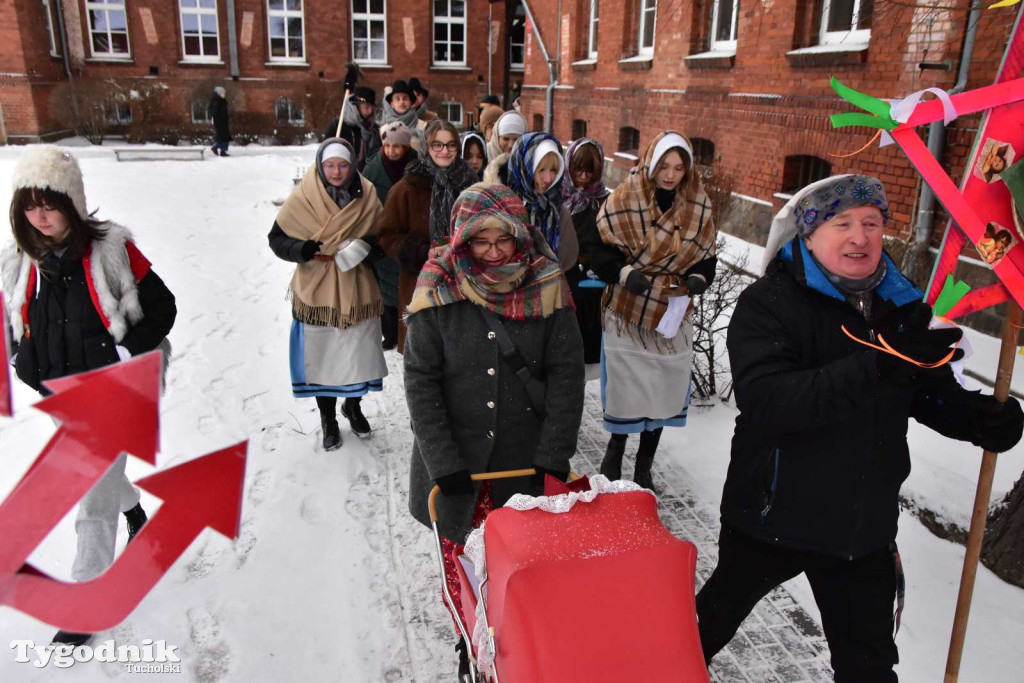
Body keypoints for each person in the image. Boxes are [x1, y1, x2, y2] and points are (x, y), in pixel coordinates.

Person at [695, 174, 1024, 682]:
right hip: (771, 517)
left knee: (868, 670)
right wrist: (881, 365)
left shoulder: (902, 305)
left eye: (871, 222)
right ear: (808, 236)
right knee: (703, 630)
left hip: (861, 527)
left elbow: (926, 391)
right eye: (842, 223)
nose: (860, 237)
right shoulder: (769, 302)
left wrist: (976, 418)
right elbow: (770, 403)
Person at [404, 182, 585, 678]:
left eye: (503, 239)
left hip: (522, 467)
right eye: (480, 242)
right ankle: (470, 643)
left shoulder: (547, 283)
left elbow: (567, 377)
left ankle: (514, 652)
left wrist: (553, 455)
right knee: (463, 573)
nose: (494, 252)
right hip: (457, 473)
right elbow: (420, 382)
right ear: (461, 239)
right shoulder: (438, 286)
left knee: (520, 575)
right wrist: (443, 463)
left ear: (521, 235)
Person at [1, 145, 177, 646]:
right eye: (30, 206)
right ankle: (135, 510)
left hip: (114, 389)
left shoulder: (111, 250)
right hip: (58, 390)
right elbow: (11, 320)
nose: (40, 216)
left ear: (72, 203)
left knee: (91, 491)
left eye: (50, 205)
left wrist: (124, 352)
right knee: (102, 476)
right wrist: (22, 358)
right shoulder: (17, 261)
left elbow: (163, 307)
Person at [595, 131, 717, 490]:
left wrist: (699, 277)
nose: (670, 175)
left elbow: (707, 256)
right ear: (651, 162)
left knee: (663, 387)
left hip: (672, 310)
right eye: (664, 166)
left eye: (679, 168)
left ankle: (644, 463)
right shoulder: (625, 197)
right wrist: (623, 273)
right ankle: (615, 449)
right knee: (627, 388)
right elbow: (599, 249)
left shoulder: (698, 205)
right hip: (628, 309)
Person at [267, 138, 387, 449]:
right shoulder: (305, 196)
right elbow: (276, 238)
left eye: (342, 165)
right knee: (323, 358)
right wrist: (301, 249)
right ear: (320, 166)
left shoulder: (367, 194)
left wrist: (367, 248)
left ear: (352, 165)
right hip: (316, 289)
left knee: (359, 354)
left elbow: (384, 236)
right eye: (329, 165)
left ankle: (353, 406)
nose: (336, 171)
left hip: (357, 285)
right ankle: (328, 418)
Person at [377, 120, 478, 351]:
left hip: (463, 282)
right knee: (424, 354)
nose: (445, 151)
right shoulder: (407, 187)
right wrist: (424, 251)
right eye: (437, 145)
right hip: (420, 284)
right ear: (426, 147)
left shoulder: (470, 184)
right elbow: (387, 236)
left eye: (451, 145)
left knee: (463, 353)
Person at [484, 132, 579, 274]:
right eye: (541, 170)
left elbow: (567, 258)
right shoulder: (498, 205)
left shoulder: (557, 210)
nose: (548, 178)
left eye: (554, 170)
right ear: (525, 168)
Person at [363, 122, 415, 350]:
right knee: (384, 287)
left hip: (407, 233)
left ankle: (407, 332)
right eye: (387, 146)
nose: (392, 151)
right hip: (381, 233)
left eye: (397, 146)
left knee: (404, 286)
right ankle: (389, 333)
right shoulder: (373, 169)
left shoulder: (415, 167)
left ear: (406, 147)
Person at [563, 137, 611, 366]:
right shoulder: (559, 197)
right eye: (578, 170)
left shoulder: (605, 202)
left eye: (590, 172)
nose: (583, 177)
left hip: (593, 282)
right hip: (564, 277)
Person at [322, 86, 380, 172]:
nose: (370, 110)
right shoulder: (339, 126)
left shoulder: (374, 129)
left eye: (372, 106)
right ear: (356, 106)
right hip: (342, 173)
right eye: (367, 106)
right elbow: (325, 152)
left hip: (368, 175)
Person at [208, 85, 231, 157]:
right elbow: (215, 111)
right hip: (220, 121)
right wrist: (220, 117)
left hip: (222, 121)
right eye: (222, 93)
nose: (224, 94)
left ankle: (222, 150)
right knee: (223, 136)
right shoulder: (217, 100)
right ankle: (217, 147)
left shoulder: (220, 100)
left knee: (224, 136)